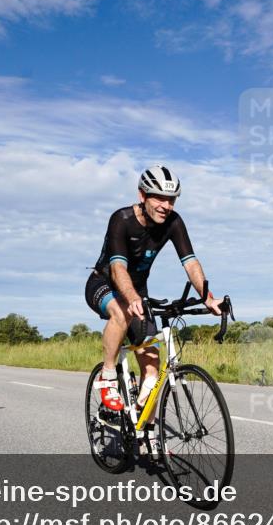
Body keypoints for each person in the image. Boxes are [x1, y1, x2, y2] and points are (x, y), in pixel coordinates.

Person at [85, 165, 222, 413]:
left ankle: (147, 436)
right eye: (159, 197)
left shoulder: (174, 222)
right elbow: (117, 268)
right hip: (104, 283)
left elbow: (190, 263)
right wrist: (132, 297)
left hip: (138, 292)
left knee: (152, 374)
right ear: (142, 195)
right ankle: (107, 375)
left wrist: (208, 298)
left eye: (171, 199)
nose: (166, 205)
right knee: (124, 310)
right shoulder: (122, 219)